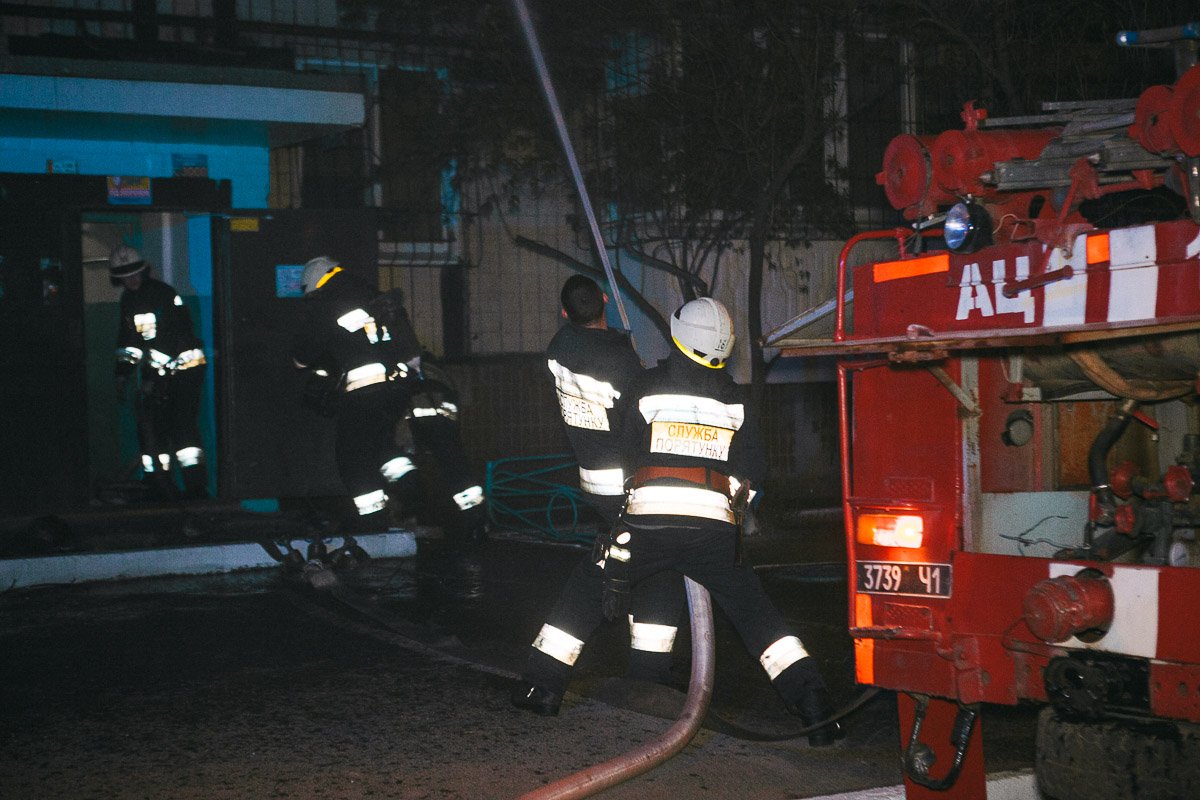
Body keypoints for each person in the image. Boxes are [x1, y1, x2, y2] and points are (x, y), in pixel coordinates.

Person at [515, 296, 842, 747]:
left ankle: (541, 688)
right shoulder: (736, 400)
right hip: (714, 535)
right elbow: (755, 469)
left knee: (586, 591)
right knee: (759, 619)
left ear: (678, 337)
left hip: (647, 525)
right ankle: (817, 711)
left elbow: (625, 452)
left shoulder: (646, 387)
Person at [510, 275, 687, 714]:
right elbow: (638, 414)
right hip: (627, 486)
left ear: (565, 313)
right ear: (606, 300)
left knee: (655, 568)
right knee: (602, 578)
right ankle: (545, 677)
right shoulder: (619, 362)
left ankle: (648, 676)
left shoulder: (559, 350)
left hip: (594, 480)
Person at [292, 256, 485, 540]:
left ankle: (374, 524)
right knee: (384, 446)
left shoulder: (327, 304)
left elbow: (303, 355)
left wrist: (318, 364)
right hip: (403, 391)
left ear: (314, 286)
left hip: (368, 393)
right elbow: (408, 350)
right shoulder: (375, 297)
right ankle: (422, 495)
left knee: (353, 456)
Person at [111, 245, 208, 500]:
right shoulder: (128, 301)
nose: (130, 280)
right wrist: (122, 372)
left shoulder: (162, 294)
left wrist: (152, 377)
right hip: (160, 375)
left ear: (144, 272)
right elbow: (129, 340)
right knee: (154, 431)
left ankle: (196, 490)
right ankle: (159, 487)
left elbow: (171, 338)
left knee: (183, 431)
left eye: (134, 274)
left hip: (185, 373)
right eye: (124, 276)